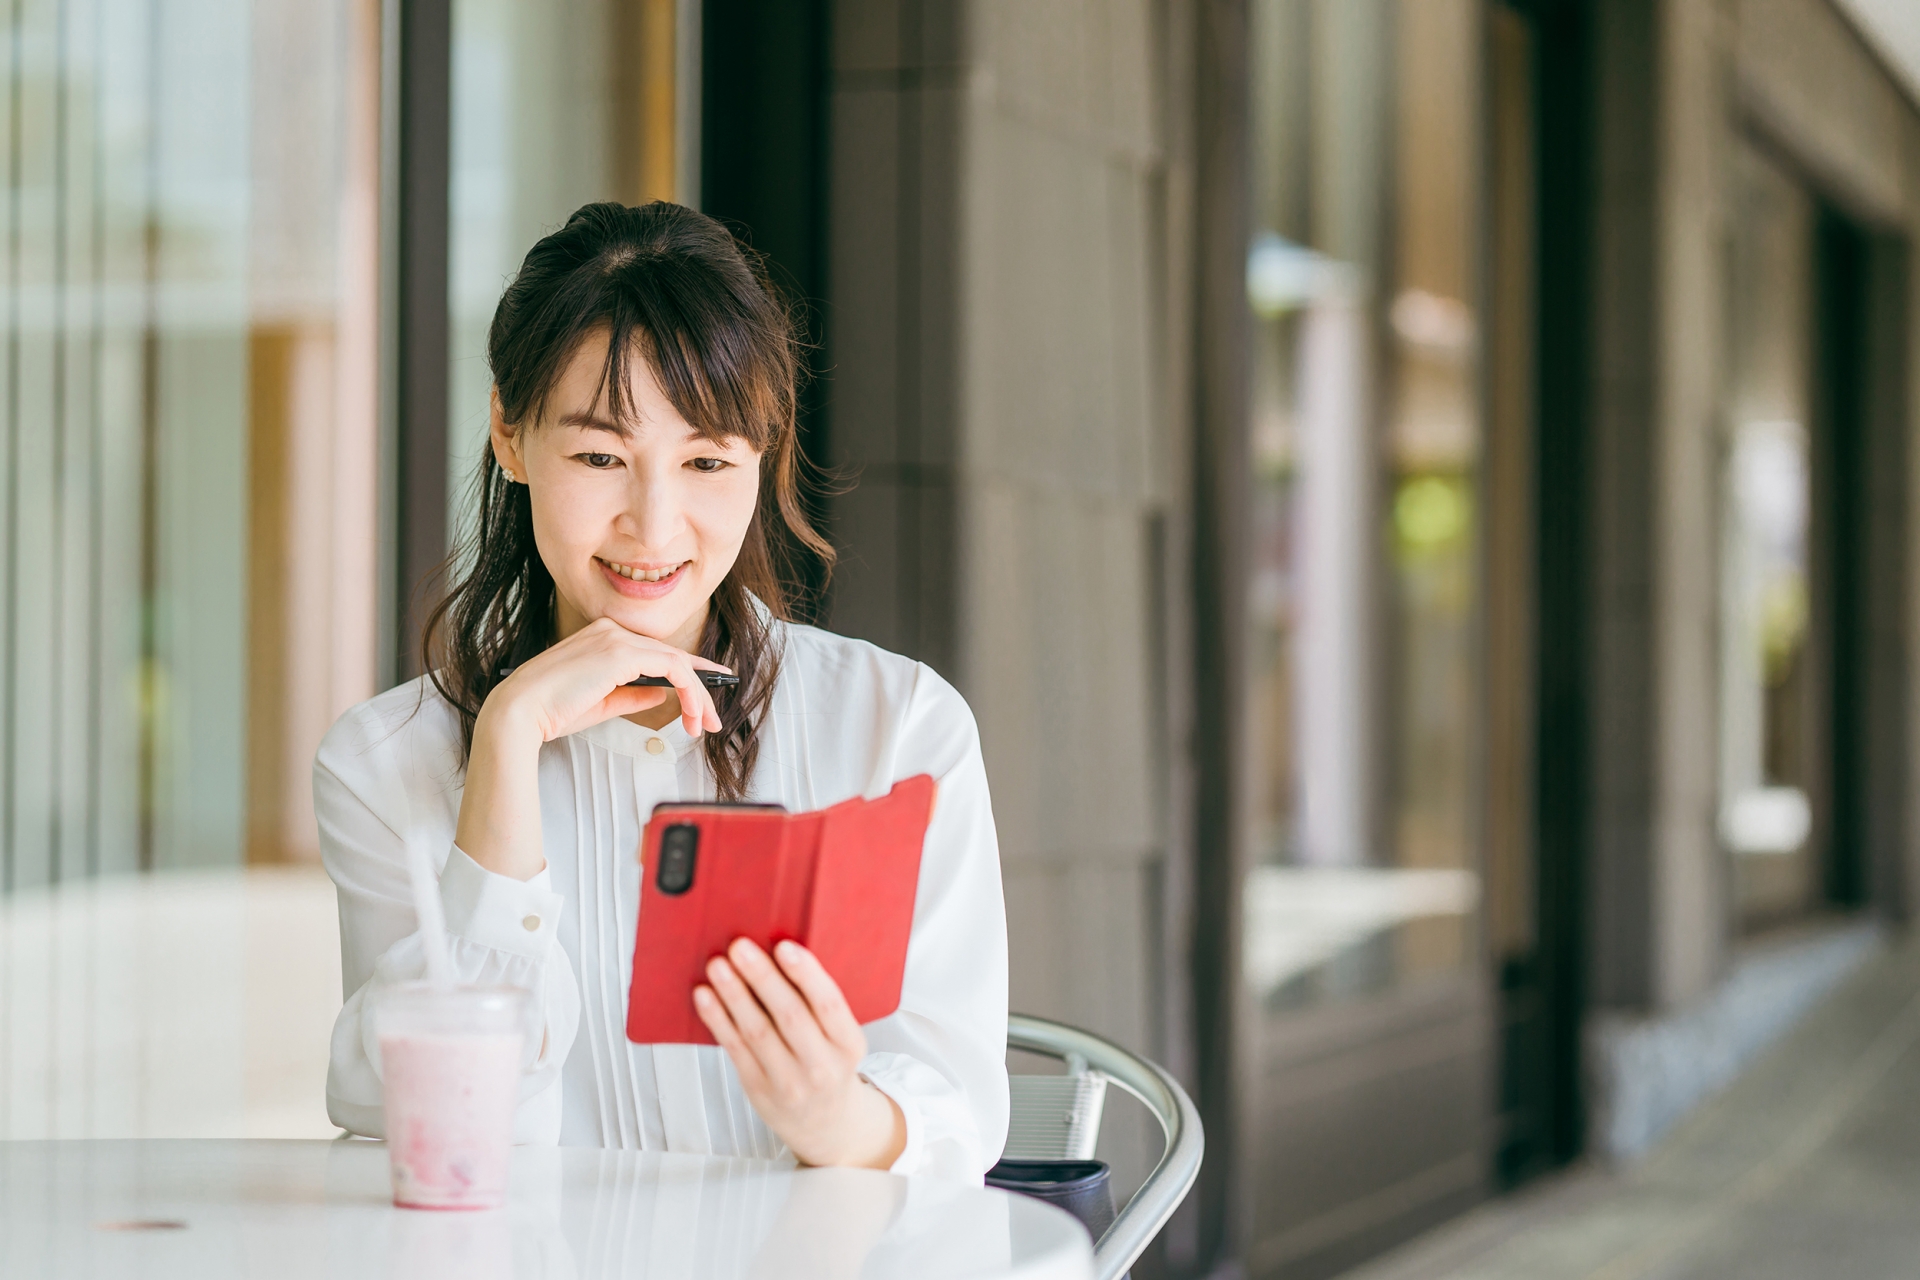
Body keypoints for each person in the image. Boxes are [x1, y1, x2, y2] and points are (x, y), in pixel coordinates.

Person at [317, 201, 1009, 1179]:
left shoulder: (896, 728)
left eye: (705, 462)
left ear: (760, 455)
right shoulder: (385, 762)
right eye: (601, 456)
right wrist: (508, 742)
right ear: (510, 437)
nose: (654, 523)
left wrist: (835, 1114)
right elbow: (426, 1131)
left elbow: (959, 1109)